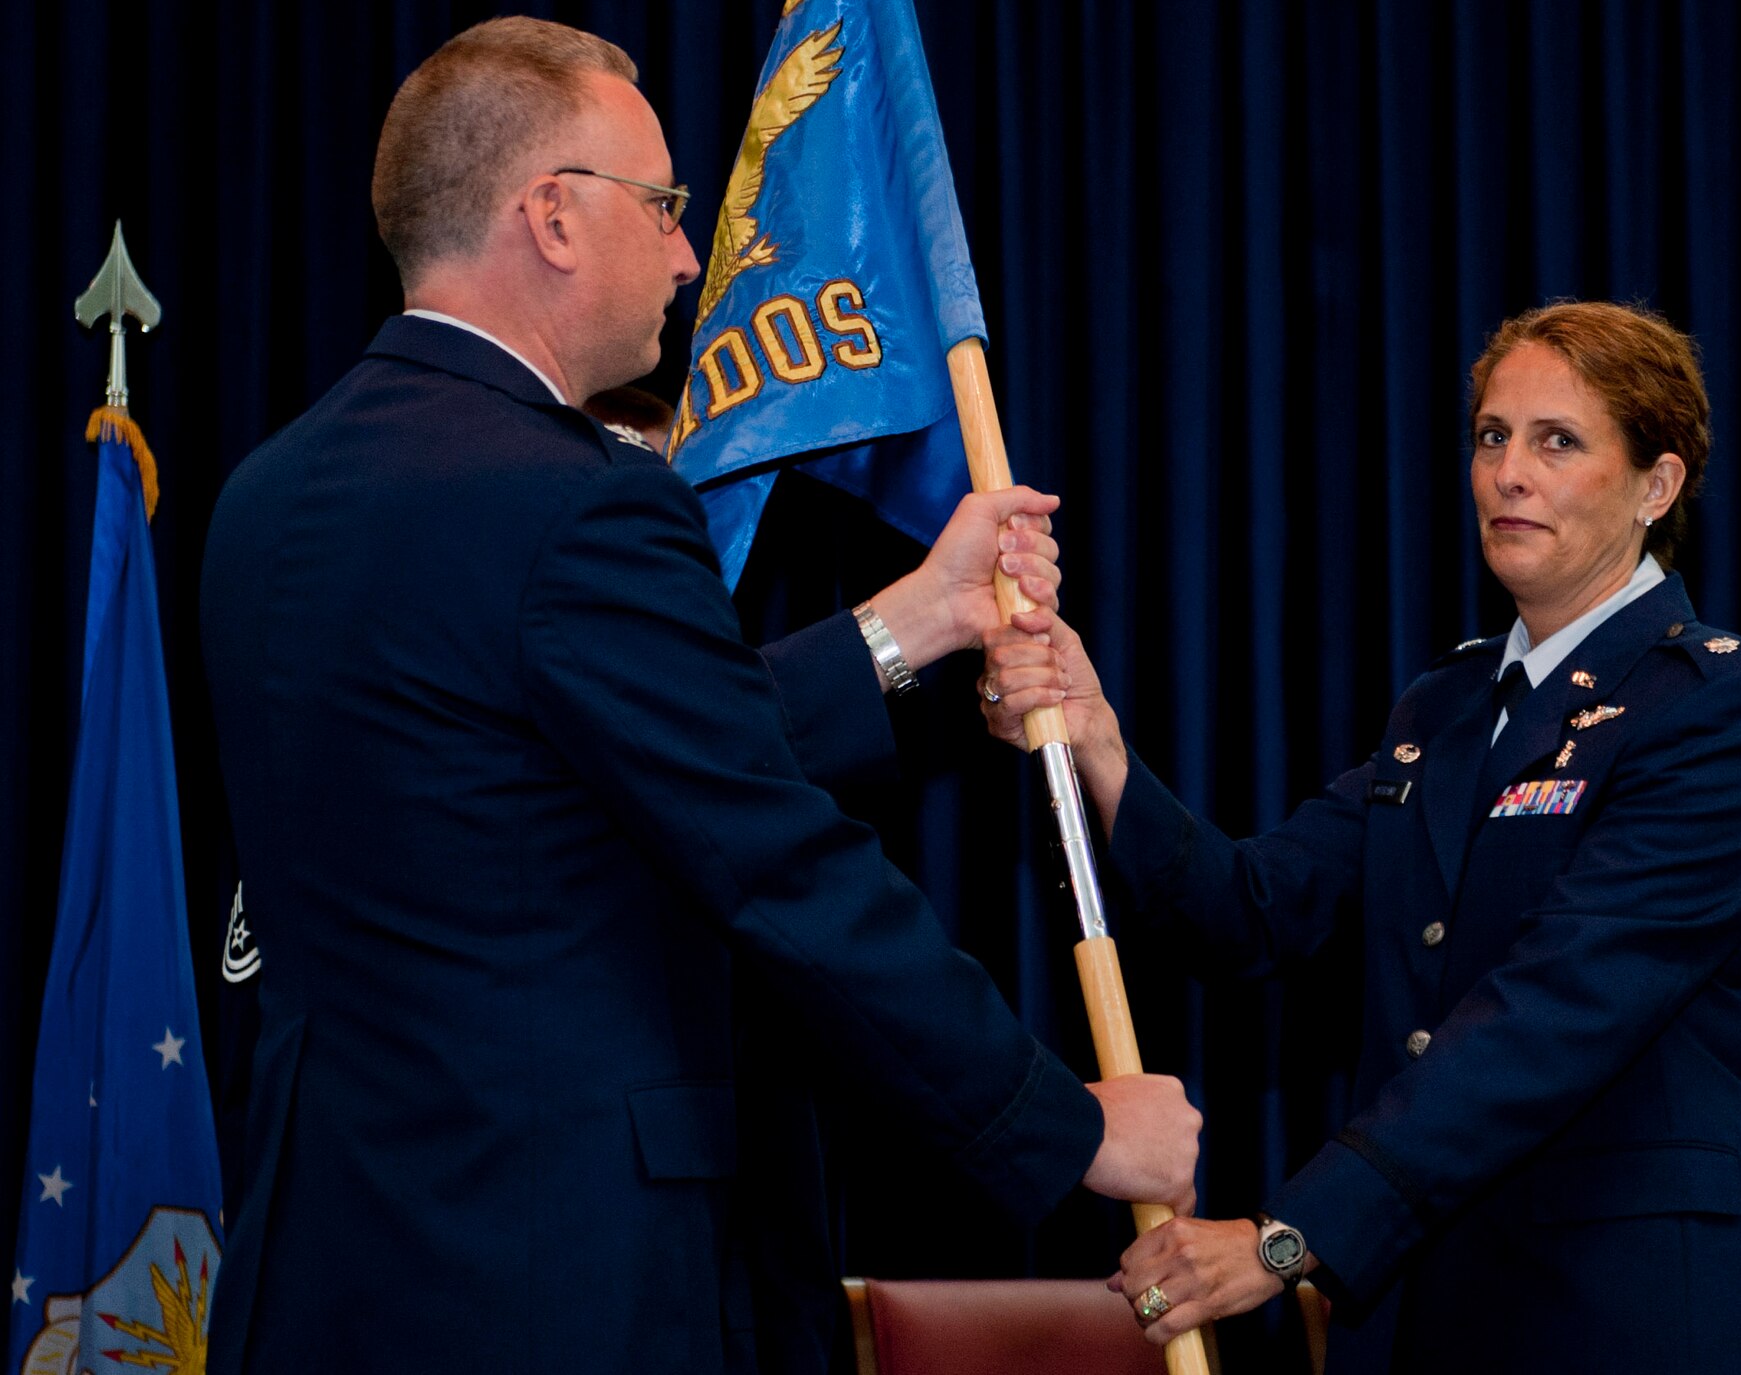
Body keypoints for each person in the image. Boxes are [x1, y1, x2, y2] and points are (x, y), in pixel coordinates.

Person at [199, 18, 1199, 1374]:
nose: (687, 252)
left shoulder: (265, 496)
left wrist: (917, 619)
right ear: (553, 216)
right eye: (665, 205)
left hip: (327, 1269)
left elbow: (553, 781)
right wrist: (1069, 1124)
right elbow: (775, 858)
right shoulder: (577, 504)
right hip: (556, 1276)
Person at [981, 302, 1741, 1373]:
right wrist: (1096, 740)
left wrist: (1293, 1235)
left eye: (1554, 440)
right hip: (1433, 1308)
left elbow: (1554, 1012)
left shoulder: (1715, 709)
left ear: (1654, 488)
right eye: (1490, 435)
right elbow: (1251, 912)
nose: (1507, 472)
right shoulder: (1446, 708)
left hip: (1635, 1311)